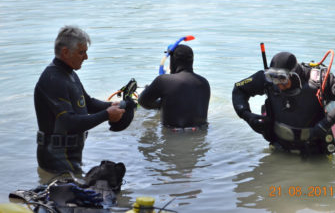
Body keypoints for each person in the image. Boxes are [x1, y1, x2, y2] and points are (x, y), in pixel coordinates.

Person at [232, 51, 335, 155]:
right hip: (280, 149)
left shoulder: (319, 81)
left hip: (317, 153)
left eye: (282, 80)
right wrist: (247, 116)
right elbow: (239, 89)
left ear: (294, 76)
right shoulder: (268, 81)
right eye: (274, 80)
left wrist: (326, 123)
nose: (278, 85)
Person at [34, 26, 127, 173]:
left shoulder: (68, 73)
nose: (86, 57)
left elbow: (87, 103)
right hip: (56, 158)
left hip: (70, 155)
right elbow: (70, 123)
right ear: (65, 52)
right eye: (81, 52)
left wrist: (111, 105)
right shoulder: (53, 79)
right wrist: (107, 115)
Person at [138, 44, 210, 129]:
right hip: (200, 134)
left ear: (173, 60)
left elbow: (143, 101)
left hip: (172, 135)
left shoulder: (163, 80)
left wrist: (160, 104)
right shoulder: (204, 82)